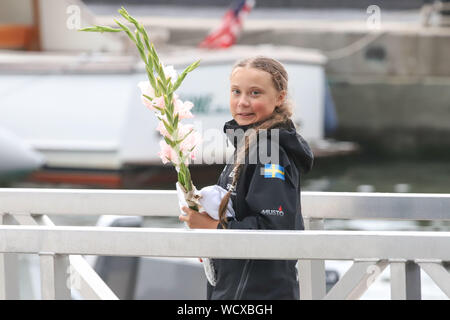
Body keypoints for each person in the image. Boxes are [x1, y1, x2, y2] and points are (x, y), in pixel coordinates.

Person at [179, 56, 314, 300]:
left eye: (255, 93)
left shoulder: (270, 153)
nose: (242, 102)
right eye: (236, 91)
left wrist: (212, 228)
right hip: (235, 286)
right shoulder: (248, 145)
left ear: (279, 98)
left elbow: (274, 231)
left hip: (260, 293)